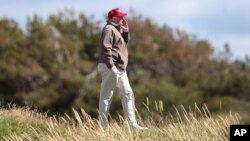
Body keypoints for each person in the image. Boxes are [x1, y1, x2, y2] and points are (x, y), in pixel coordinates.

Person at [97, 8, 148, 130]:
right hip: (111, 66)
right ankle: (103, 128)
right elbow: (106, 48)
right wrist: (111, 66)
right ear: (113, 18)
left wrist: (125, 30)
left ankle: (133, 125)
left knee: (128, 93)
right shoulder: (109, 29)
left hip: (119, 68)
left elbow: (124, 43)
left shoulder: (117, 29)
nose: (123, 19)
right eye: (120, 17)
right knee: (106, 97)